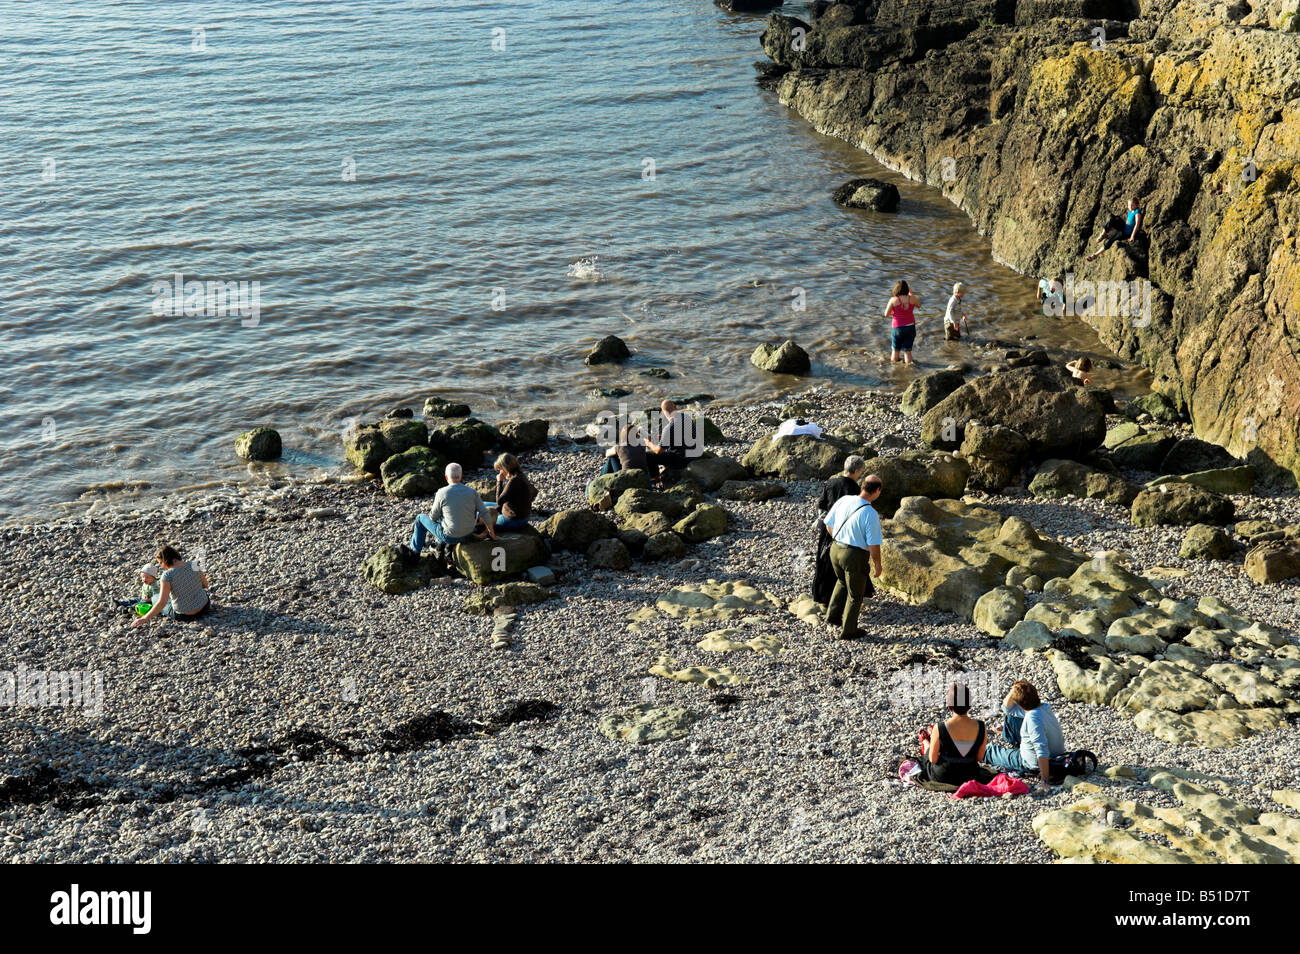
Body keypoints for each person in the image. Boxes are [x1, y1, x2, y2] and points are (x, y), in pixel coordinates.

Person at [821, 473, 884, 639]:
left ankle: (832, 617)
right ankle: (849, 630)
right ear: (877, 491)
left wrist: (838, 539)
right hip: (854, 555)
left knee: (841, 582)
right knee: (856, 595)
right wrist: (878, 564)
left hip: (835, 549)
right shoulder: (870, 513)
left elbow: (828, 523)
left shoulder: (845, 500)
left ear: (862, 486)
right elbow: (873, 544)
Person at [983, 680, 1066, 791]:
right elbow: (1007, 709)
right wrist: (1017, 689)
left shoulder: (1032, 718)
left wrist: (1045, 781)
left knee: (989, 751)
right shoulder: (1044, 707)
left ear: (1020, 704)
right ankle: (1004, 733)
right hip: (1057, 754)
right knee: (1011, 716)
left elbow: (1041, 750)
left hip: (1031, 762)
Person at [410, 462, 496, 555]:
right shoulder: (472, 492)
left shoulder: (442, 492)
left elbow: (433, 517)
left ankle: (415, 552)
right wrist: (492, 533)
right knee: (446, 515)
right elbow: (484, 512)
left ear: (446, 477)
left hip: (450, 537)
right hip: (469, 534)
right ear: (461, 476)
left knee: (420, 518)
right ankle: (439, 545)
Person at [813, 455, 866, 605]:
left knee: (824, 560)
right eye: (861, 471)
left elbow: (822, 504)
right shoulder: (855, 489)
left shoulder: (831, 482)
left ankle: (821, 595)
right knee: (843, 563)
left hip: (827, 526)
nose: (861, 474)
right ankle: (840, 597)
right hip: (844, 530)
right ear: (856, 471)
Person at [915, 683, 989, 785]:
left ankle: (926, 741)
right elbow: (979, 757)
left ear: (950, 705)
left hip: (944, 775)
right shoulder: (981, 726)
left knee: (927, 758)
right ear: (969, 703)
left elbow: (933, 759)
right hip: (970, 774)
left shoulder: (940, 727)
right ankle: (929, 739)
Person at [132, 545, 211, 627]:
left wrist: (145, 618)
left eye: (160, 563)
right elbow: (205, 585)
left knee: (155, 597)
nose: (161, 566)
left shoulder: (167, 575)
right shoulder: (194, 564)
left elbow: (162, 602)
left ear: (165, 560)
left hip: (186, 615)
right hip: (204, 607)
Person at [493, 453, 535, 531]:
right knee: (482, 505)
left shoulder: (514, 481)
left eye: (500, 469)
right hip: (520, 515)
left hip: (514, 520)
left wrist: (499, 481)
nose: (500, 472)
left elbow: (499, 501)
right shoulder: (520, 475)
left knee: (484, 523)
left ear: (505, 468)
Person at [885, 280, 920, 364]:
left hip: (897, 328)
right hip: (910, 327)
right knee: (907, 351)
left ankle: (894, 369)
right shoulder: (912, 298)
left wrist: (894, 312)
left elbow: (886, 314)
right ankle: (909, 369)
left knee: (895, 350)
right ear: (907, 289)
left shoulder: (893, 300)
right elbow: (919, 305)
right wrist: (911, 294)